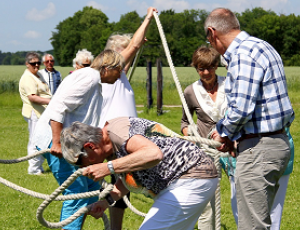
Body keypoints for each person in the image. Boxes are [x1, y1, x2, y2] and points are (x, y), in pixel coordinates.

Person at [33, 7, 158, 230]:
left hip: (76, 143)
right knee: (78, 192)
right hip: (60, 143)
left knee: (88, 192)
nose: (122, 73)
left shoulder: (97, 81)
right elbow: (58, 106)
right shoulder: (90, 78)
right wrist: (58, 143)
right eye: (118, 69)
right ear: (108, 67)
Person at [205, 8, 294, 229]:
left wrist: (223, 132)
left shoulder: (243, 55)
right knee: (263, 221)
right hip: (275, 143)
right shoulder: (262, 46)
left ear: (212, 32)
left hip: (258, 149)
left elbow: (242, 108)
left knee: (251, 225)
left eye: (208, 39)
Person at [60, 117, 219, 230]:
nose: (82, 167)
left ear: (89, 146)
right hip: (184, 182)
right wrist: (106, 201)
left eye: (80, 162)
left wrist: (108, 167)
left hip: (191, 175)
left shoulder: (117, 132)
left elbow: (153, 154)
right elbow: (130, 177)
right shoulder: (111, 148)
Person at [181, 46, 237, 229]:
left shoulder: (230, 84)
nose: (206, 73)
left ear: (216, 67)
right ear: (196, 69)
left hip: (232, 148)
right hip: (206, 151)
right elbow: (184, 122)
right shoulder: (190, 91)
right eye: (201, 69)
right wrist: (190, 133)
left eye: (210, 68)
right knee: (207, 201)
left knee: (240, 193)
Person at [100, 34, 138, 230]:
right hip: (112, 138)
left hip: (126, 139)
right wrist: (148, 17)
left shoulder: (120, 75)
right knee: (116, 182)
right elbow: (135, 45)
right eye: (124, 50)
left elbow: (133, 50)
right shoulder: (110, 75)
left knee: (122, 184)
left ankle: (115, 228)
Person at [19, 52, 52, 175]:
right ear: (27, 64)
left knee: (43, 139)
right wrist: (51, 101)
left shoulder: (38, 75)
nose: (36, 65)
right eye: (33, 63)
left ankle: (39, 167)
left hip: (42, 113)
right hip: (34, 112)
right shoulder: (28, 78)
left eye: (38, 62)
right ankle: (33, 169)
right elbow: (32, 97)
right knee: (35, 140)